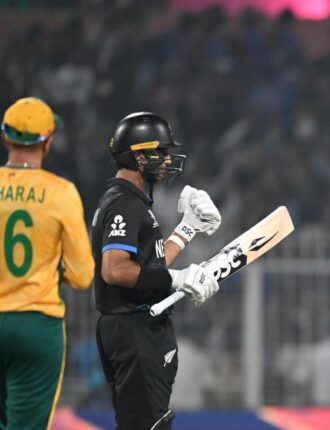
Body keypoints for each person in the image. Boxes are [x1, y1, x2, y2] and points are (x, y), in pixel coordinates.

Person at [92, 112, 221, 429]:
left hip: (135, 326)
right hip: (134, 329)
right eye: (160, 151)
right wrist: (178, 278)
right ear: (139, 156)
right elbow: (115, 269)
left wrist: (188, 229)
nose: (167, 159)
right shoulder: (124, 203)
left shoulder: (129, 201)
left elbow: (149, 266)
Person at [0, 97, 95, 430]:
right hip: (36, 325)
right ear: (48, 141)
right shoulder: (61, 193)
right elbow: (82, 276)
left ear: (6, 138)